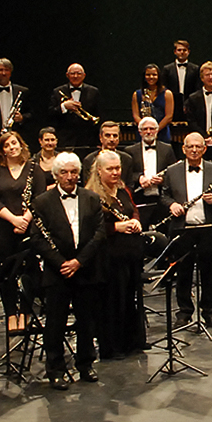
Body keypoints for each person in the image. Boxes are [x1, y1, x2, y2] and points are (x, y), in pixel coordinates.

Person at [30, 152, 105, 390]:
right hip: (57, 271)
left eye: (74, 172)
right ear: (56, 175)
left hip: (84, 269)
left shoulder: (92, 198)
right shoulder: (42, 202)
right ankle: (56, 369)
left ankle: (85, 363)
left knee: (86, 320)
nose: (70, 177)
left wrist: (78, 262)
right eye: (64, 172)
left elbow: (99, 234)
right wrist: (61, 262)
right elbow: (38, 239)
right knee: (55, 322)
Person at [159, 133, 212, 329]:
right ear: (183, 149)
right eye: (190, 146)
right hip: (182, 229)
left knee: (208, 272)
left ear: (204, 149)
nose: (194, 150)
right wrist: (172, 204)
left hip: (207, 228)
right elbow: (163, 196)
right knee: (183, 272)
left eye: (198, 146)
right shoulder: (172, 171)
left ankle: (210, 312)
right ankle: (184, 312)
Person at [0, 131, 46, 331]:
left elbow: (40, 196)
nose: (12, 147)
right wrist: (13, 219)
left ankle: (26, 311)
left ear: (21, 145)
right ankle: (11, 313)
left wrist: (25, 219)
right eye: (7, 145)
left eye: (14, 143)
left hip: (29, 227)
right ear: (2, 150)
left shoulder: (33, 168)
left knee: (30, 270)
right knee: (6, 272)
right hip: (2, 228)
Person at [87, 150, 147, 357]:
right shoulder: (92, 195)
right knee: (112, 302)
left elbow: (133, 209)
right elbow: (91, 227)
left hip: (129, 254)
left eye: (118, 168)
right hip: (108, 258)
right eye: (110, 169)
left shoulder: (123, 190)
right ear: (99, 170)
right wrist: (116, 228)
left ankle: (132, 341)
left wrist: (136, 220)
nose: (115, 172)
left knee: (130, 299)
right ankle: (112, 347)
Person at [123, 117, 179, 230]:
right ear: (140, 132)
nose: (148, 132)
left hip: (161, 199)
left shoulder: (167, 149)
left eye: (152, 129)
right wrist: (139, 178)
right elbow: (127, 174)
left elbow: (173, 172)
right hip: (139, 197)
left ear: (157, 130)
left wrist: (162, 179)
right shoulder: (130, 150)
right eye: (145, 129)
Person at [52, 63, 102, 149]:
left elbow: (99, 114)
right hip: (65, 139)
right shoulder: (57, 91)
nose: (76, 76)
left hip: (87, 139)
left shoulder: (93, 91)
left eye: (79, 73)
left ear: (84, 75)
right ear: (67, 75)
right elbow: (51, 113)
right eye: (72, 73)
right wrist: (64, 106)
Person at [160, 40, 201, 126]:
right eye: (179, 50)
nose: (182, 52)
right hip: (172, 104)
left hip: (190, 104)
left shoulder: (195, 68)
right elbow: (164, 87)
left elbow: (197, 88)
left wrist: (189, 103)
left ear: (188, 52)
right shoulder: (167, 69)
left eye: (184, 50)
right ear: (175, 52)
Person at [131, 63, 176, 140]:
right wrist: (146, 128)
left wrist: (155, 130)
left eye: (154, 75)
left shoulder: (167, 94)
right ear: (144, 77)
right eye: (148, 75)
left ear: (158, 76)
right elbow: (136, 115)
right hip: (143, 133)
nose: (151, 77)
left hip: (162, 133)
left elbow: (169, 117)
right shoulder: (137, 94)